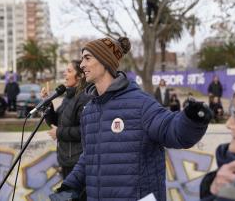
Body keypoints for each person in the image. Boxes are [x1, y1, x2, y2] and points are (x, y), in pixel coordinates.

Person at [54, 37, 212, 201]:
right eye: (81, 60)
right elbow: (89, 157)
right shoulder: (89, 112)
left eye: (87, 58)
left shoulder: (140, 103)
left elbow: (172, 130)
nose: (82, 65)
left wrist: (192, 117)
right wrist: (69, 186)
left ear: (105, 62)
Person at [42, 60, 91, 181]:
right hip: (65, 160)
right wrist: (47, 103)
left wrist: (59, 133)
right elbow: (55, 123)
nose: (65, 74)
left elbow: (85, 130)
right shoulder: (68, 97)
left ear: (80, 76)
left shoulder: (85, 97)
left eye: (69, 71)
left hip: (77, 163)